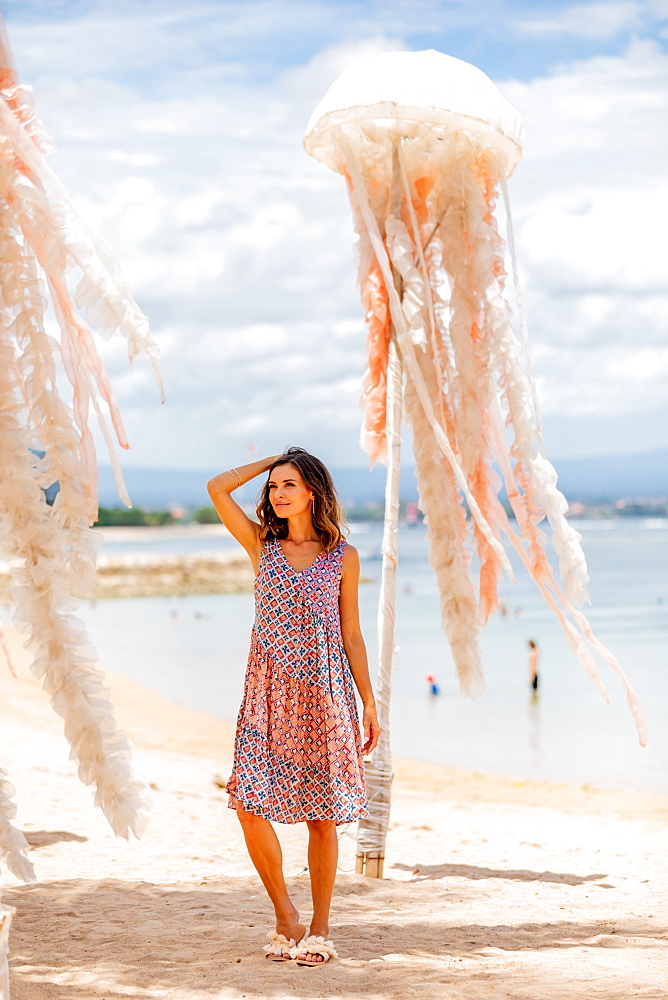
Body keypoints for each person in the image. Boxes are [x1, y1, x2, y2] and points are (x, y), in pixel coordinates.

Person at [207, 447, 380, 967]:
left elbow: (351, 631)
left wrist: (369, 701)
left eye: (289, 485)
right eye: (274, 487)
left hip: (325, 694)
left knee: (322, 819)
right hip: (268, 693)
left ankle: (320, 928)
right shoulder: (263, 545)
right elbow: (217, 487)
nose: (278, 495)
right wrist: (273, 460)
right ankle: (286, 915)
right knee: (248, 804)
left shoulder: (341, 556)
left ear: (313, 492)